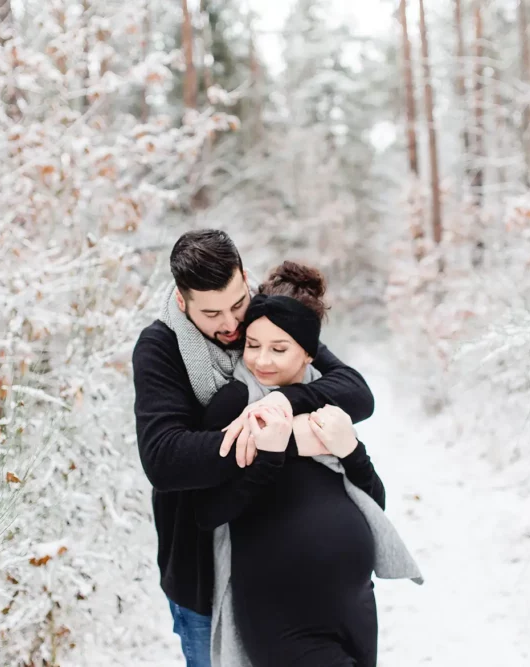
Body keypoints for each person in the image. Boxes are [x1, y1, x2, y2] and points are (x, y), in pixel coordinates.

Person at [132, 230, 377, 667]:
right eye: (212, 313)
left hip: (287, 579)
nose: (230, 324)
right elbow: (165, 458)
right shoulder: (161, 348)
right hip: (202, 572)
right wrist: (273, 442)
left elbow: (354, 391)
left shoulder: (264, 322)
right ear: (182, 300)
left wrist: (285, 403)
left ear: (245, 280)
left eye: (236, 304)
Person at [194, 262, 421, 667]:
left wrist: (351, 450)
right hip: (278, 607)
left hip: (351, 604)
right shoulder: (234, 404)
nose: (261, 360)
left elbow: (373, 504)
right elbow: (208, 510)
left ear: (309, 353)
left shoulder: (329, 400)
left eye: (279, 349)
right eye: (253, 344)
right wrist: (269, 457)